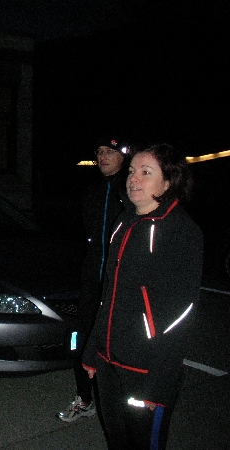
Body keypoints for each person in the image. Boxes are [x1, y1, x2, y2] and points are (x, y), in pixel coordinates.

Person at [82, 143, 203, 449]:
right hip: (110, 362)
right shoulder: (123, 222)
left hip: (146, 370)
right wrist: (93, 351)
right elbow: (107, 296)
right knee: (117, 440)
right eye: (132, 171)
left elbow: (180, 316)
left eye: (146, 172)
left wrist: (159, 382)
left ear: (169, 181)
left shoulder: (180, 232)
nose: (133, 179)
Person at [58, 137, 130, 422]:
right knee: (83, 338)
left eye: (109, 151)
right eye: (99, 152)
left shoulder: (131, 190)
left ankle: (120, 402)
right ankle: (84, 398)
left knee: (118, 345)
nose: (103, 157)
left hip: (120, 283)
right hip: (91, 279)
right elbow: (81, 234)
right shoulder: (92, 190)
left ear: (123, 154)